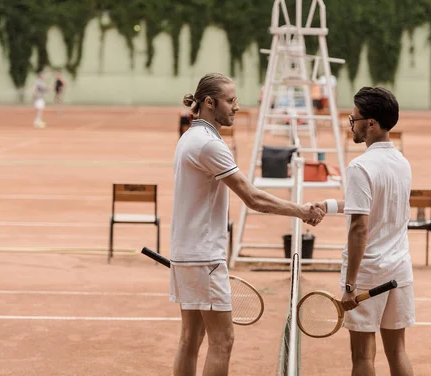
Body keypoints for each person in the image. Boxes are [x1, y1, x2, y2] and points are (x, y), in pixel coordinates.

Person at [170, 72, 325, 376]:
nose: (236, 107)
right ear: (210, 102)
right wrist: (302, 211)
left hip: (186, 253)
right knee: (222, 340)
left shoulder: (189, 137)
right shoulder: (209, 145)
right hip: (204, 256)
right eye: (230, 100)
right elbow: (253, 197)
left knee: (190, 338)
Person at [316, 86, 414, 376]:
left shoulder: (360, 166)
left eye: (354, 118)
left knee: (362, 357)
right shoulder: (402, 162)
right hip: (399, 270)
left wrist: (349, 286)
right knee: (397, 352)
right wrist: (330, 205)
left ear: (370, 123)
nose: (351, 124)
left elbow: (359, 226)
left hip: (368, 274)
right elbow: (374, 204)